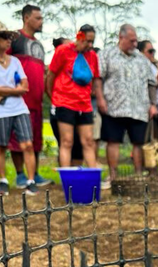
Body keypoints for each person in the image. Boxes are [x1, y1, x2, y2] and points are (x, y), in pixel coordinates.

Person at [94, 24, 157, 186]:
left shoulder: (142, 59)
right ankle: (113, 175)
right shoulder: (106, 54)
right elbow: (98, 78)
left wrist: (153, 104)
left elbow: (151, 82)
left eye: (136, 41)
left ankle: (137, 175)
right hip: (114, 107)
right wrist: (100, 99)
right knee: (113, 141)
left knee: (138, 142)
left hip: (139, 108)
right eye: (132, 41)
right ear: (121, 38)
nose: (135, 44)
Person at [0, 21, 37, 196]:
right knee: (1, 146)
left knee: (27, 144)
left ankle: (31, 181)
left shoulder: (15, 61)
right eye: (5, 37)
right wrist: (13, 91)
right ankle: (3, 181)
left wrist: (3, 92)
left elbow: (25, 88)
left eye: (10, 37)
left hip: (19, 109)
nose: (9, 40)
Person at [7, 5, 53, 188]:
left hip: (37, 100)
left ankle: (35, 174)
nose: (41, 21)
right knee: (17, 138)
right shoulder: (14, 39)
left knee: (35, 138)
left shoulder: (40, 45)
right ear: (26, 18)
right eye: (38, 18)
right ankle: (20, 175)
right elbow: (1, 63)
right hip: (17, 99)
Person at [46, 24, 99, 168]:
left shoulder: (92, 56)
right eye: (87, 41)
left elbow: (95, 78)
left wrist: (93, 92)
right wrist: (53, 97)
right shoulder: (63, 51)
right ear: (79, 37)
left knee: (88, 141)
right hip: (64, 102)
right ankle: (67, 180)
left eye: (92, 42)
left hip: (84, 104)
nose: (90, 45)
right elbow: (51, 75)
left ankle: (93, 177)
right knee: (67, 141)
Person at [48, 37, 83, 166]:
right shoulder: (55, 66)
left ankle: (77, 175)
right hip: (61, 108)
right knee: (66, 141)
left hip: (78, 108)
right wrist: (56, 101)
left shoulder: (77, 63)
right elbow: (49, 82)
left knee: (78, 144)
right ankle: (67, 177)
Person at [139, 40, 158, 153]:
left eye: (154, 51)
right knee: (147, 142)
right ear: (141, 52)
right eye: (150, 51)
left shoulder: (152, 66)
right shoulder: (144, 66)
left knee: (156, 142)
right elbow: (155, 84)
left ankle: (152, 167)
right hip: (150, 110)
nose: (153, 54)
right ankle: (146, 167)